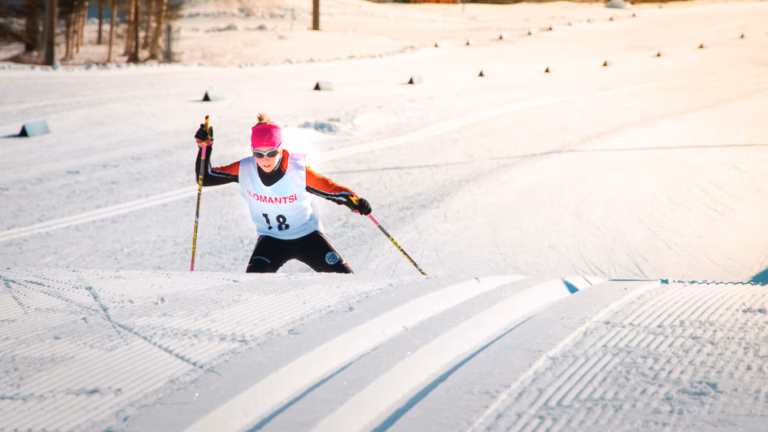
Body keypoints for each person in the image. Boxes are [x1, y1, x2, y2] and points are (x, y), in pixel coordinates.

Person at [194, 113, 372, 274]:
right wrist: (205, 148)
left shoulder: (298, 172)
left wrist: (355, 202)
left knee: (346, 280)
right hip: (271, 240)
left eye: (271, 153)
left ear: (280, 149)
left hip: (308, 237)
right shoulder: (245, 168)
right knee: (252, 286)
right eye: (258, 153)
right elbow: (205, 178)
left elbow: (333, 190)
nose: (265, 160)